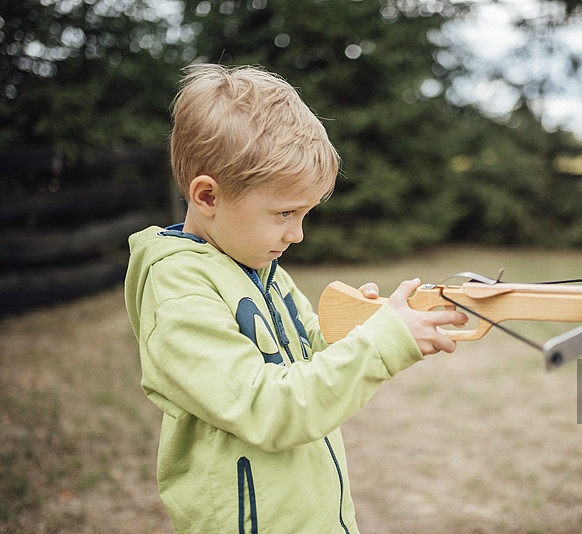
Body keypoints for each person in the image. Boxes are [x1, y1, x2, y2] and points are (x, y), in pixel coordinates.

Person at [124, 64, 467, 533]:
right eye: (284, 212)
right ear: (207, 196)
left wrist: (367, 327)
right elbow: (269, 408)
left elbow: (312, 365)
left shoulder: (265, 270)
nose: (298, 234)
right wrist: (381, 344)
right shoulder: (178, 291)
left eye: (303, 213)